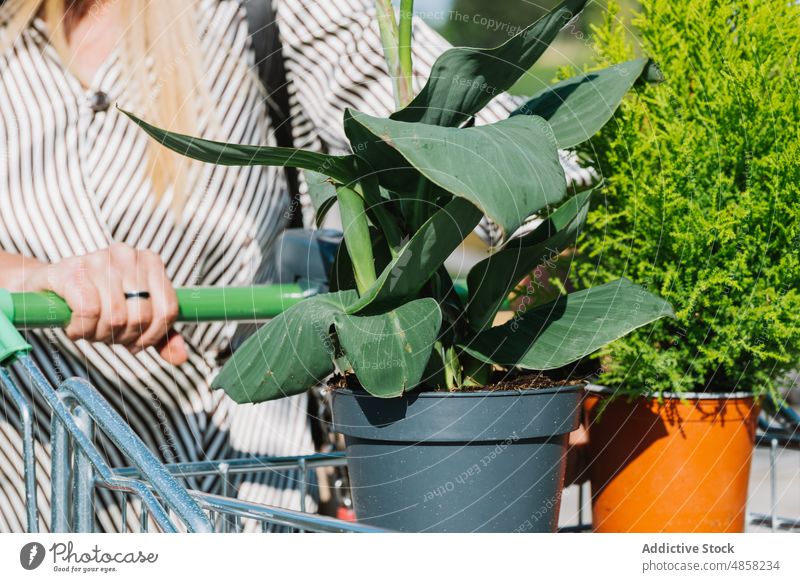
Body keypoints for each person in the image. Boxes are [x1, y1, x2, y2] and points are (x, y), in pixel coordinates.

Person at [0, 0, 592, 532]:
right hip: (23, 491)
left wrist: (538, 341)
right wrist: (27, 276)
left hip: (238, 496)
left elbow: (535, 165)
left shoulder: (270, 11)